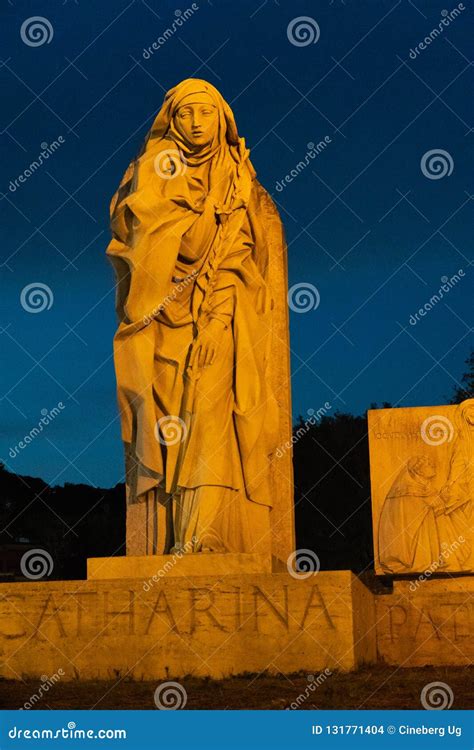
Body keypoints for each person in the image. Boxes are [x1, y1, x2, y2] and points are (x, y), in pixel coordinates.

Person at [106, 79, 282, 556]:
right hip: (160, 318)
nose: (195, 123)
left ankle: (204, 534)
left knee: (209, 411)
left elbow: (244, 249)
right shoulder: (152, 171)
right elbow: (137, 236)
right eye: (184, 114)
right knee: (166, 426)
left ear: (221, 118)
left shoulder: (240, 179)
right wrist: (185, 213)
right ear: (172, 121)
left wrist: (218, 312)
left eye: (204, 113)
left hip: (223, 314)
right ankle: (167, 537)